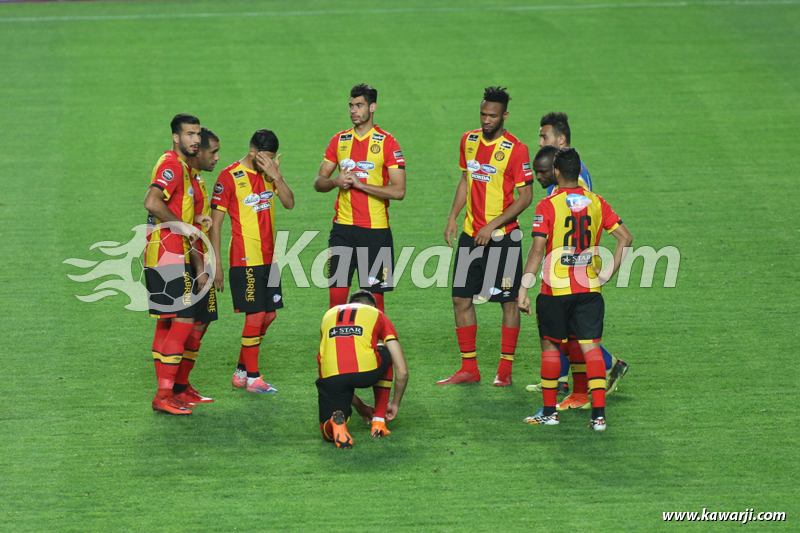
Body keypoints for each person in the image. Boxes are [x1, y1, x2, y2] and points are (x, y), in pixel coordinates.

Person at [518, 147, 633, 430]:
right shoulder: (597, 202)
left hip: (554, 290)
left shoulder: (547, 206)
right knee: (591, 349)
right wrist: (607, 272)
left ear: (556, 172)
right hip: (589, 289)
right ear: (578, 172)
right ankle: (598, 416)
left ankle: (548, 412)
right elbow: (626, 238)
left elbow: (537, 250)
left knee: (551, 346)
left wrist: (523, 287)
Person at [439, 86, 533, 386]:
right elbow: (466, 179)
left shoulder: (516, 149)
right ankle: (469, 368)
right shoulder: (468, 141)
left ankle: (504, 371)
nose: (486, 120)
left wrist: (492, 225)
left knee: (508, 302)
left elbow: (525, 196)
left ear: (505, 115)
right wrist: (453, 217)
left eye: (492, 115)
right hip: (470, 234)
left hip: (503, 237)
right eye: (483, 114)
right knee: (460, 298)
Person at [209, 129, 295, 393]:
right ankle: (253, 379)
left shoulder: (270, 175)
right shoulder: (229, 177)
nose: (268, 163)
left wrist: (276, 175)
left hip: (270, 260)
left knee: (268, 316)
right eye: (265, 159)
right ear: (252, 153)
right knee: (256, 315)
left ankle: (241, 370)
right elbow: (215, 225)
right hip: (244, 259)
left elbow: (290, 203)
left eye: (272, 159)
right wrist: (217, 265)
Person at [313, 83, 406, 314]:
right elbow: (319, 182)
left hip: (375, 232)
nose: (353, 110)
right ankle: (328, 350)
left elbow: (399, 191)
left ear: (372, 107)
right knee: (336, 299)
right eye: (351, 106)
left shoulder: (387, 142)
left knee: (375, 303)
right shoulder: (340, 140)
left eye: (359, 105)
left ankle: (379, 346)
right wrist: (335, 181)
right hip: (342, 230)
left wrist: (362, 185)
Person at [144, 113, 210, 415]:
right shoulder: (172, 165)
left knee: (167, 322)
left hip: (169, 253)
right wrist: (184, 227)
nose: (195, 139)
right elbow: (152, 201)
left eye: (197, 134)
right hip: (168, 254)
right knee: (184, 321)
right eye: (189, 134)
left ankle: (170, 392)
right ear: (176, 137)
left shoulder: (182, 167)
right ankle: (164, 394)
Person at [316, 290, 409, 449]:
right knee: (383, 350)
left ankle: (336, 425)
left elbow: (326, 358)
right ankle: (379, 422)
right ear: (373, 306)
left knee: (326, 433)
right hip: (368, 371)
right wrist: (395, 403)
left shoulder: (329, 314)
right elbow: (402, 370)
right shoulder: (377, 313)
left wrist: (360, 406)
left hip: (331, 374)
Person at [171, 127, 221, 405]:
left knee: (202, 322)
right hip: (189, 262)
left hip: (201, 260)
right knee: (185, 324)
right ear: (197, 151)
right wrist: (200, 267)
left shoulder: (197, 177)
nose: (216, 158)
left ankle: (181, 385)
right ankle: (171, 390)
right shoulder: (181, 175)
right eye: (212, 152)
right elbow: (182, 227)